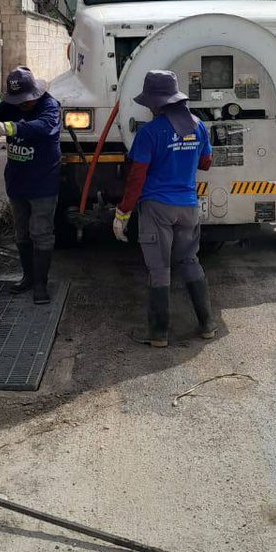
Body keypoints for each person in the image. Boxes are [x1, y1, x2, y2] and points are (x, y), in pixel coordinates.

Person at [113, 69, 215, 347]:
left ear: (156, 104)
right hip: (188, 207)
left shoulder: (149, 133)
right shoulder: (198, 125)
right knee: (190, 261)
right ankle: (207, 325)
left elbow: (136, 177)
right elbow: (206, 163)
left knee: (159, 268)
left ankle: (158, 334)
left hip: (157, 208)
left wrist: (123, 212)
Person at [0, 67, 61, 304]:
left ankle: (41, 285)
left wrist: (9, 127)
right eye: (17, 101)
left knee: (41, 232)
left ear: (35, 92)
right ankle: (28, 277)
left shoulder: (50, 106)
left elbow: (44, 127)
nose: (22, 105)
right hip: (17, 181)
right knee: (21, 233)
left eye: (26, 100)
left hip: (43, 183)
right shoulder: (11, 105)